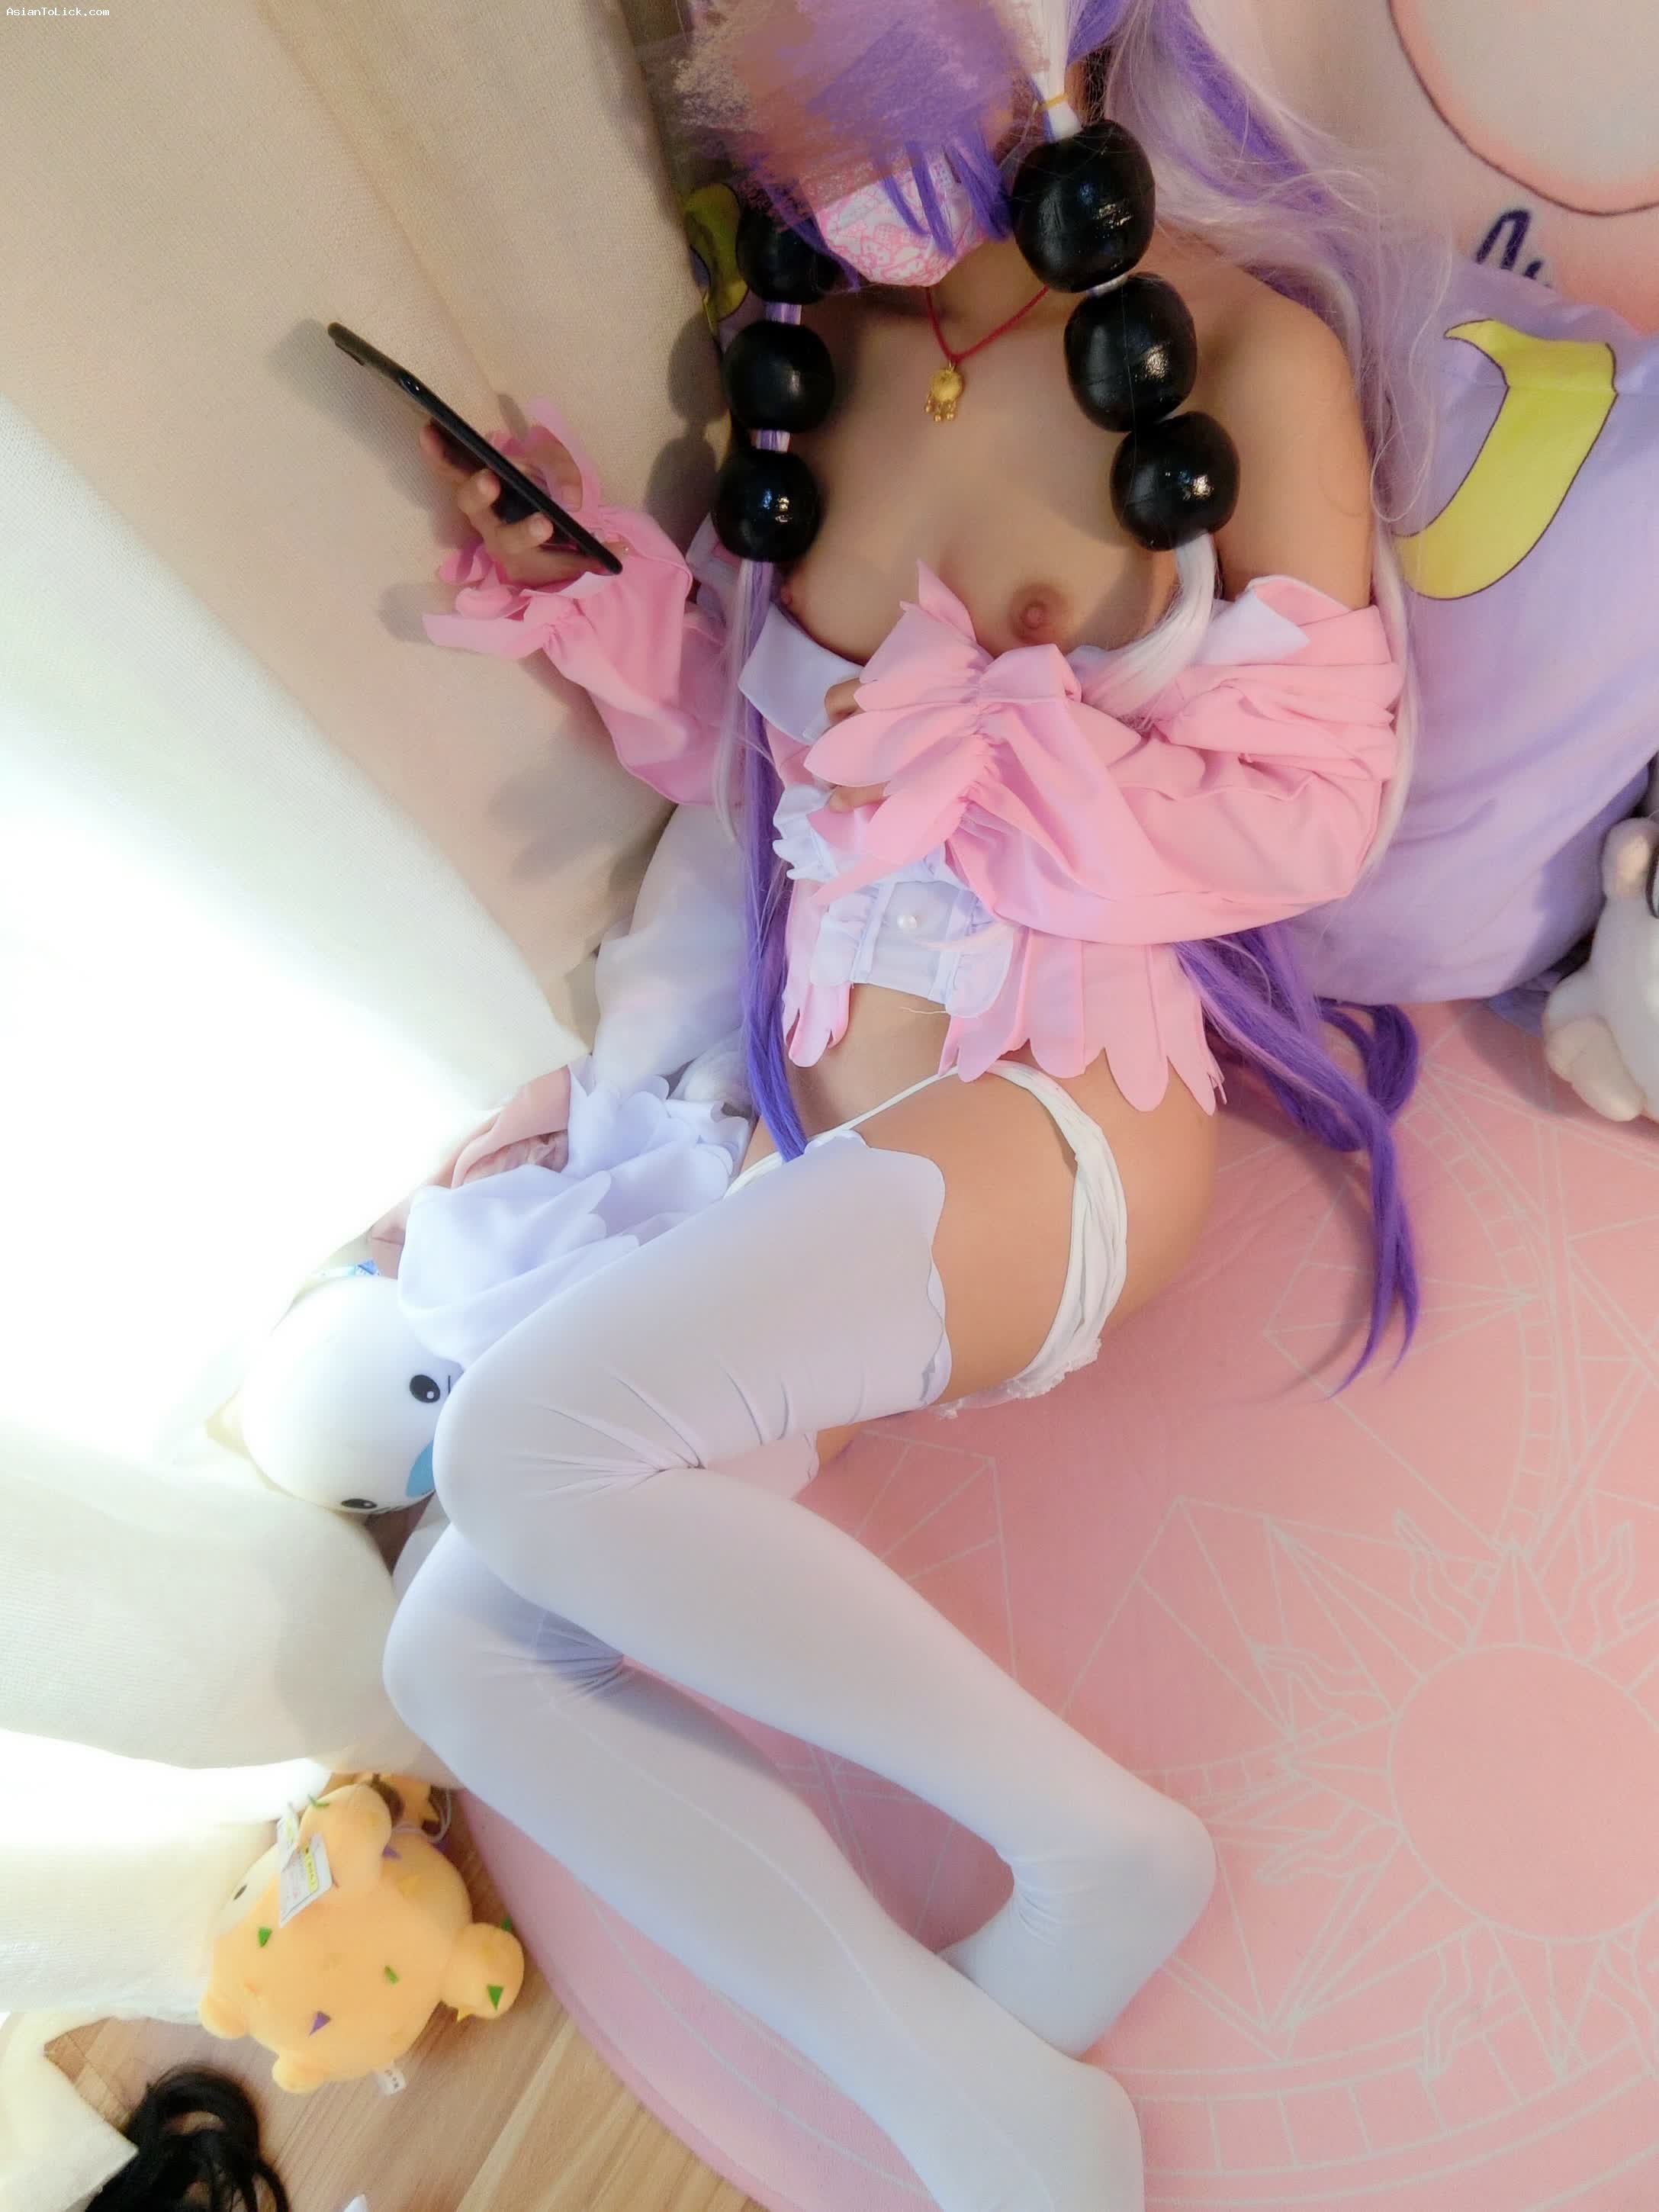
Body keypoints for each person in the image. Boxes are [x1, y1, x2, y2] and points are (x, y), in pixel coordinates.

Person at [384, 6, 1423, 2205]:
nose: (789, 140)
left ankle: (1087, 1836)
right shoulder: (826, 364)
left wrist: (1014, 758)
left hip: (1062, 1114)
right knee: (458, 1646)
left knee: (508, 1451)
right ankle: (975, 2093)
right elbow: (780, 776)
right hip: (829, 1153)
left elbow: (1318, 806)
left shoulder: (1245, 355)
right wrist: (599, 603)